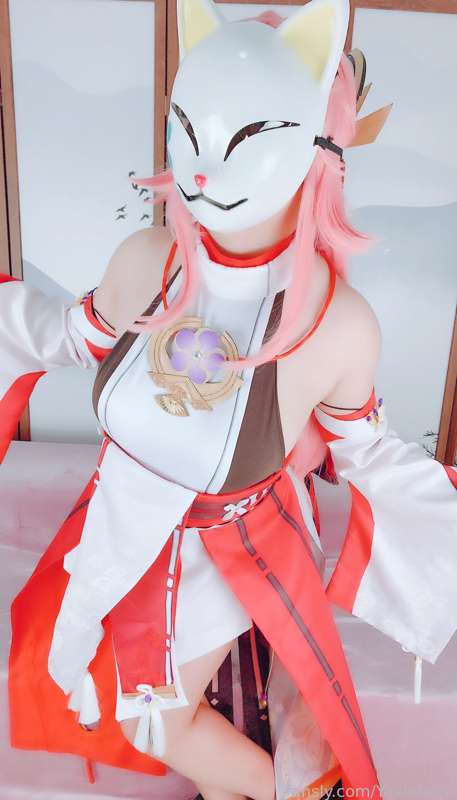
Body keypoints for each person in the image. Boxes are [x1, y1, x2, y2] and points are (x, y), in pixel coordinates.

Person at [1, 1, 456, 799]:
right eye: (191, 130)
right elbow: (66, 335)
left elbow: (363, 451)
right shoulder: (146, 259)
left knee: (154, 719)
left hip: (231, 549)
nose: (206, 171)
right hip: (119, 520)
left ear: (315, 146)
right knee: (121, 689)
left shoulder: (338, 323)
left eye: (249, 137)